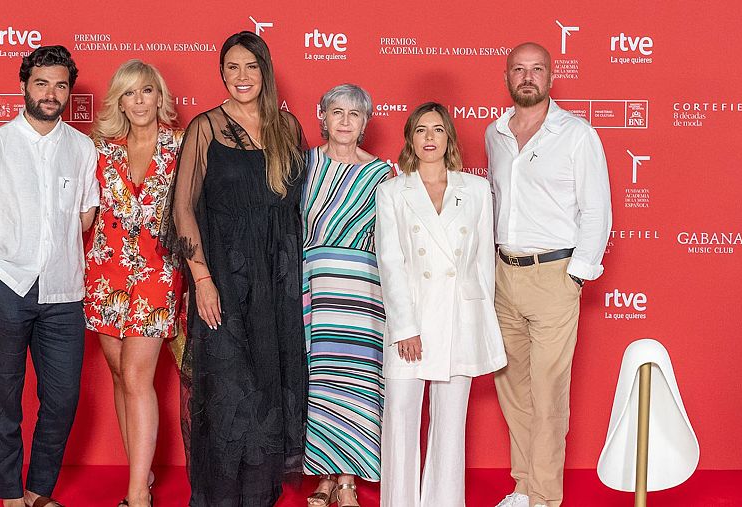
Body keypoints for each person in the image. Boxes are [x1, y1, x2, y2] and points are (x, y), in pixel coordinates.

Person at [157, 31, 307, 507]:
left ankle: (258, 495)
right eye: (232, 68)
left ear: (265, 72)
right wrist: (202, 279)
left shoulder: (288, 129)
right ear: (221, 73)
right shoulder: (206, 127)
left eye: (251, 67)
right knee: (224, 389)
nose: (242, 77)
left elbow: (296, 207)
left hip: (276, 281)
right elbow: (183, 209)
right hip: (220, 277)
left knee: (267, 385)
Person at [0, 45, 98, 507]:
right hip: (8, 289)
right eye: (42, 83)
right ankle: (10, 496)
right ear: (23, 86)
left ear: (69, 91)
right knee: (5, 397)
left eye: (60, 85)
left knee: (62, 400)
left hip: (64, 292)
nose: (51, 93)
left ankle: (38, 491)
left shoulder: (81, 147)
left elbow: (84, 216)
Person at [486, 43, 611, 507]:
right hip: (504, 275)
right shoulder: (494, 133)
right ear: (507, 77)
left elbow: (597, 210)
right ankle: (523, 486)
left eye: (537, 69)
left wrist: (574, 275)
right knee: (513, 390)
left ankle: (544, 497)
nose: (527, 77)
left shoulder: (576, 134)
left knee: (549, 391)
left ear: (551, 76)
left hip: (554, 274)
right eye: (518, 69)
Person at [376, 102, 507, 507]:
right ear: (410, 139)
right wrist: (405, 327)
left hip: (459, 319)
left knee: (450, 426)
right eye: (420, 130)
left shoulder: (476, 190)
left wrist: (482, 325)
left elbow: (484, 264)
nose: (429, 137)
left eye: (437, 129)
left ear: (448, 136)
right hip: (409, 320)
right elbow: (390, 261)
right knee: (400, 419)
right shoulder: (393, 191)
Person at [84, 59, 186, 507]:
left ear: (159, 96)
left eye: (146, 90)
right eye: (129, 93)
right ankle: (140, 479)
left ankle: (136, 498)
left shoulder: (183, 147)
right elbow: (82, 209)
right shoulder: (100, 150)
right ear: (119, 101)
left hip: (158, 275)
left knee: (137, 376)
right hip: (105, 275)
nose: (139, 100)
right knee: (120, 375)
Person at [301, 84, 391, 507]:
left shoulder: (381, 174)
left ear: (365, 123)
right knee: (319, 382)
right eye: (337, 112)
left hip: (362, 290)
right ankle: (322, 478)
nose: (344, 121)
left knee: (357, 382)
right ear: (322, 115)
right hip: (314, 286)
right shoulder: (304, 165)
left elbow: (393, 238)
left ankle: (349, 481)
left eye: (354, 115)